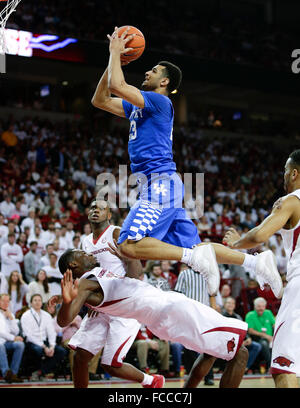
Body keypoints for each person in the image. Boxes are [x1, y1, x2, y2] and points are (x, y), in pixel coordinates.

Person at [91, 26, 282, 299]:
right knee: (195, 248)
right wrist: (113, 64)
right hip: (160, 184)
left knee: (129, 245)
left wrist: (114, 54)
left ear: (165, 82)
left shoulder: (159, 102)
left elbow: (117, 86)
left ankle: (193, 259)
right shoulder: (139, 106)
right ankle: (256, 262)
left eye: (154, 71)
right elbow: (100, 99)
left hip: (160, 184)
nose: (147, 72)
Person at [56, 249, 249, 389]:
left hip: (165, 314)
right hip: (171, 309)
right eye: (82, 254)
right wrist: (66, 302)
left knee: (211, 351)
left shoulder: (96, 276)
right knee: (240, 353)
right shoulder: (84, 283)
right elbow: (64, 320)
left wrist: (127, 259)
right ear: (74, 264)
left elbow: (133, 278)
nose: (89, 254)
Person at [223, 149, 300, 388]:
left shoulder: (292, 201)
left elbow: (260, 234)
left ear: (295, 173)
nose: (283, 177)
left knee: (283, 367)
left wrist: (236, 243)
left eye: (285, 172)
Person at [69, 200, 160, 388]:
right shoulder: (85, 242)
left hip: (123, 306)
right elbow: (87, 277)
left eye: (101, 208)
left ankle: (151, 381)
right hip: (100, 306)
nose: (95, 210)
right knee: (80, 356)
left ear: (109, 215)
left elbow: (136, 275)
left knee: (111, 365)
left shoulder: (117, 233)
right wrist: (92, 302)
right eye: (92, 207)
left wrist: (126, 257)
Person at [174, 264, 216, 385]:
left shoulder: (209, 276)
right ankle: (193, 375)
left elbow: (212, 295)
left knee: (208, 347)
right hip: (189, 314)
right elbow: (177, 294)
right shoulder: (184, 274)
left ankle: (209, 376)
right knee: (189, 346)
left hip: (205, 315)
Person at [20, 294, 67, 380]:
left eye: (39, 300)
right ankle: (35, 372)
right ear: (31, 303)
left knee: (61, 351)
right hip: (32, 342)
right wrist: (44, 347)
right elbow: (29, 336)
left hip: (45, 342)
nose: (37, 302)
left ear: (42, 303)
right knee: (38, 350)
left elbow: (51, 333)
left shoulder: (46, 315)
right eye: (35, 300)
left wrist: (52, 346)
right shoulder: (26, 316)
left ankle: (41, 372)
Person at [223, 297, 262, 373]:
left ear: (234, 305)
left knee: (256, 346)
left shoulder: (238, 317)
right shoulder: (222, 316)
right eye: (229, 303)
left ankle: (244, 367)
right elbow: (224, 334)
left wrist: (248, 338)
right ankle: (229, 368)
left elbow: (243, 330)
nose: (231, 305)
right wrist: (238, 343)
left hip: (240, 341)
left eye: (232, 303)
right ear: (224, 305)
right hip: (228, 342)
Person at [245, 297, 275, 373]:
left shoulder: (268, 313)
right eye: (258, 306)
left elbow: (275, 325)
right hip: (256, 338)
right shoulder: (250, 315)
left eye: (262, 306)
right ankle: (270, 367)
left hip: (270, 338)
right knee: (264, 343)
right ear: (255, 307)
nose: (261, 308)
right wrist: (266, 336)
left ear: (265, 306)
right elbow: (250, 331)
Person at [0, 294, 25, 383]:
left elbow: (16, 331)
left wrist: (11, 318)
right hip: (1, 342)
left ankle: (13, 373)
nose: (5, 303)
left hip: (8, 341)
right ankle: (6, 373)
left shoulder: (10, 313)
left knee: (20, 344)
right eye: (3, 301)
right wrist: (13, 338)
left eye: (7, 301)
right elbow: (1, 332)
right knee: (0, 346)